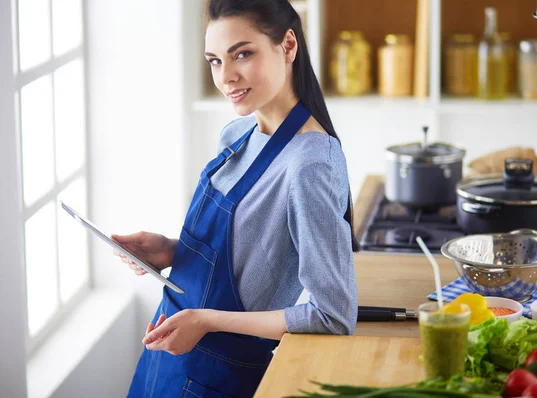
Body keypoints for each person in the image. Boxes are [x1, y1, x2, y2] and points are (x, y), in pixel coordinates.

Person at [112, 0, 358, 396]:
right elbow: (247, 257)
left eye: (242, 54)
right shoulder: (236, 135)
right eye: (214, 60)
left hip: (219, 379)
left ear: (288, 45)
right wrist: (172, 251)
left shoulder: (310, 165)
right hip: (166, 356)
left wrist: (206, 321)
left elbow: (333, 315)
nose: (226, 77)